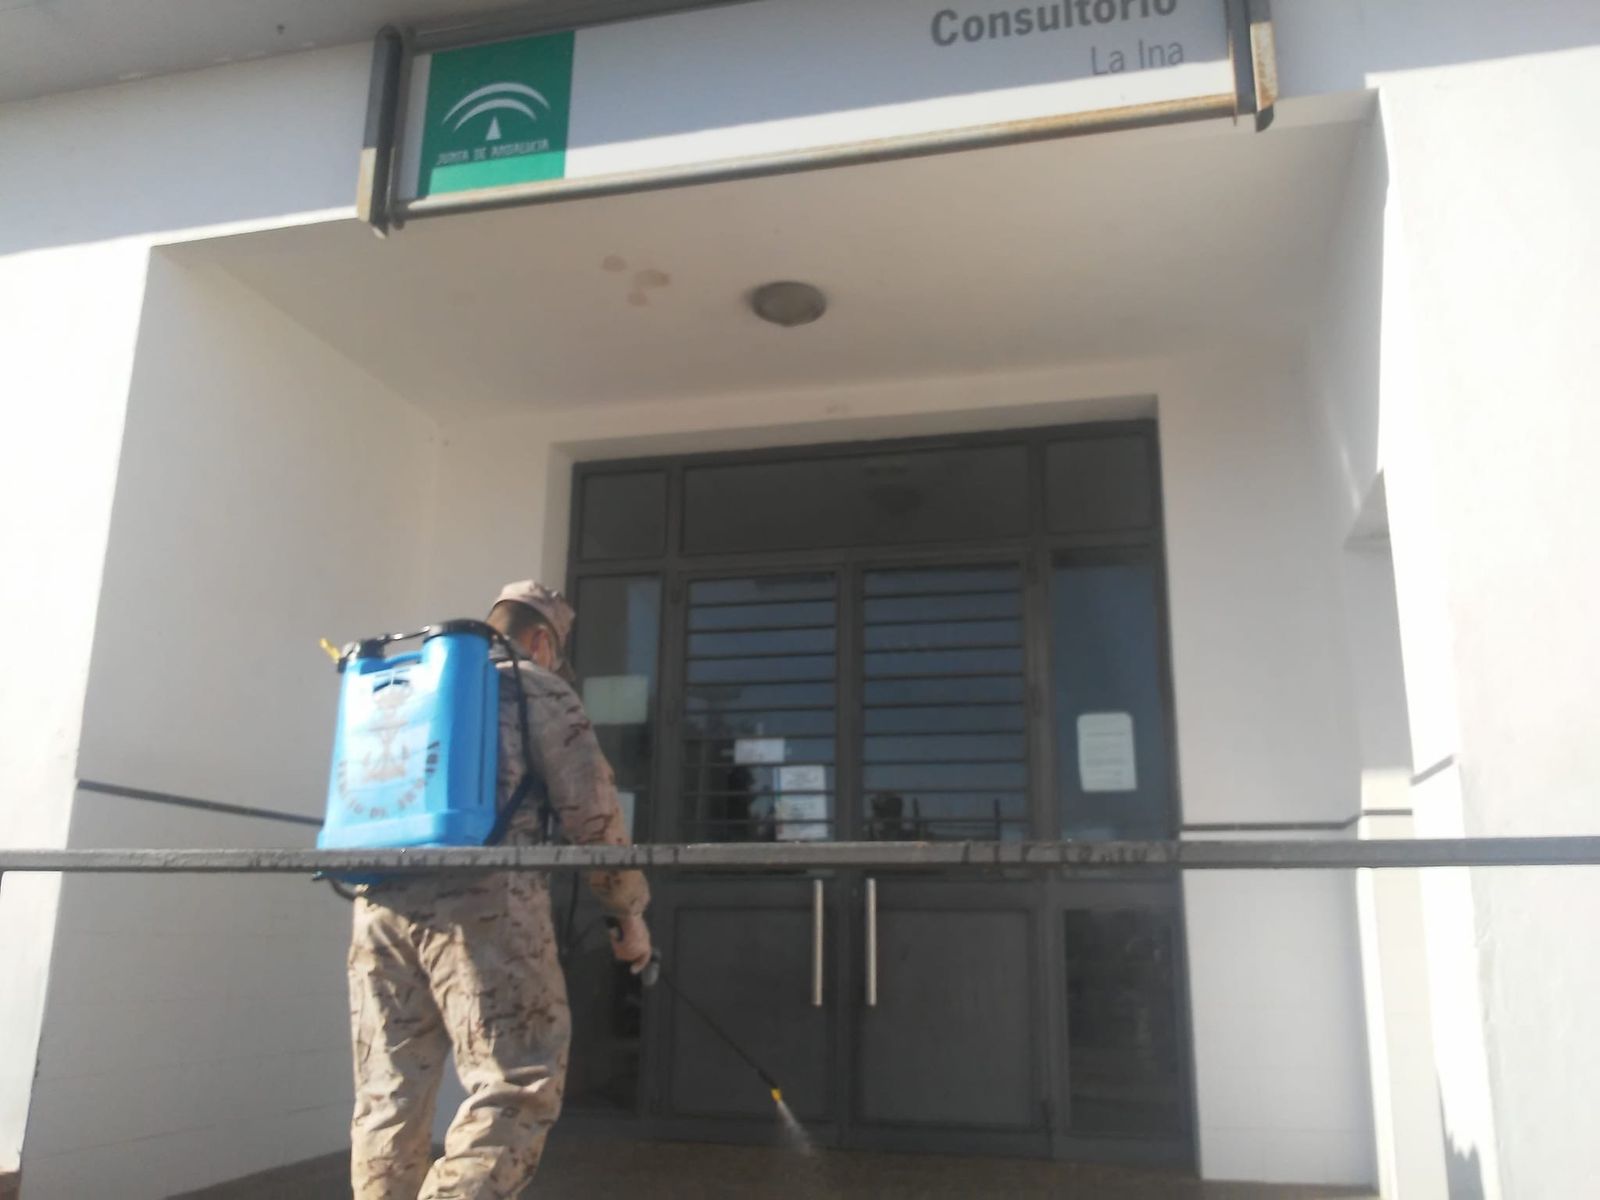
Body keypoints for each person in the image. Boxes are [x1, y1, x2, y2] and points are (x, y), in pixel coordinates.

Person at [346, 581, 652, 1199]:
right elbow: (593, 815)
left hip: (378, 903)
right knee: (519, 1078)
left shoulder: (407, 684)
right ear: (542, 640)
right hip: (483, 907)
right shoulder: (534, 683)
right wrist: (627, 912)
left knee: (389, 1094)